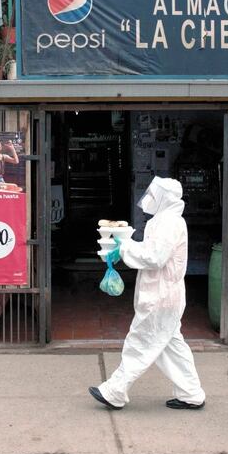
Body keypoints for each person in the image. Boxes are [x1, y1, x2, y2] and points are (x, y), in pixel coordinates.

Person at [89, 176, 206, 411]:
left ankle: (115, 391)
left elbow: (155, 257)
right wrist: (124, 246)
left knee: (140, 343)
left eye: (153, 195)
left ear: (164, 198)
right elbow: (150, 251)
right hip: (163, 295)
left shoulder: (169, 223)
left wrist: (125, 246)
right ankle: (191, 393)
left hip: (161, 297)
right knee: (171, 346)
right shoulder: (163, 221)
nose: (148, 199)